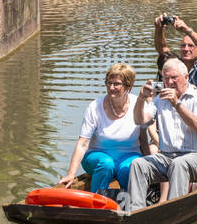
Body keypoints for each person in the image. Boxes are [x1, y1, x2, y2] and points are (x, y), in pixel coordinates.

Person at [126, 58, 197, 207]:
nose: (170, 82)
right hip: (166, 157)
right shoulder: (159, 100)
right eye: (167, 78)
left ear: (186, 77)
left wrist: (177, 103)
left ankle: (172, 210)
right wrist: (141, 98)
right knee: (138, 164)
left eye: (174, 78)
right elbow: (140, 121)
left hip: (196, 157)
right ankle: (135, 211)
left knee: (179, 164)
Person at [59, 63, 144, 195]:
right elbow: (83, 143)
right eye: (108, 83)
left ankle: (131, 204)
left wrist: (151, 163)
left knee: (130, 168)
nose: (111, 88)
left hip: (129, 156)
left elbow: (143, 138)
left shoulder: (138, 104)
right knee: (106, 164)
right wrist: (71, 173)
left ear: (129, 86)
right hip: (97, 157)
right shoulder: (94, 107)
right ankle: (97, 202)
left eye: (116, 84)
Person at [154, 13, 197, 89]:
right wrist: (159, 29)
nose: (186, 49)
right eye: (183, 45)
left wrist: (187, 30)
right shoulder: (176, 62)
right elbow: (162, 49)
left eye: (191, 46)